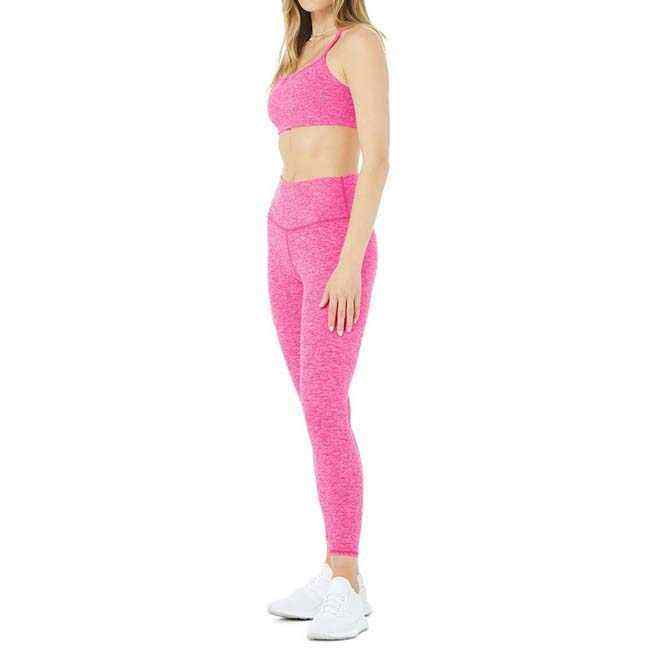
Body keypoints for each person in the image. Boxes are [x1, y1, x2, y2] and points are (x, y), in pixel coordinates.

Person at [265, 0, 389, 640]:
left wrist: (348, 262)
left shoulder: (358, 42)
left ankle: (347, 577)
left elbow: (378, 158)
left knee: (325, 403)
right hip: (282, 229)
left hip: (334, 237)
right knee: (314, 406)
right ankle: (334, 570)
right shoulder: (295, 48)